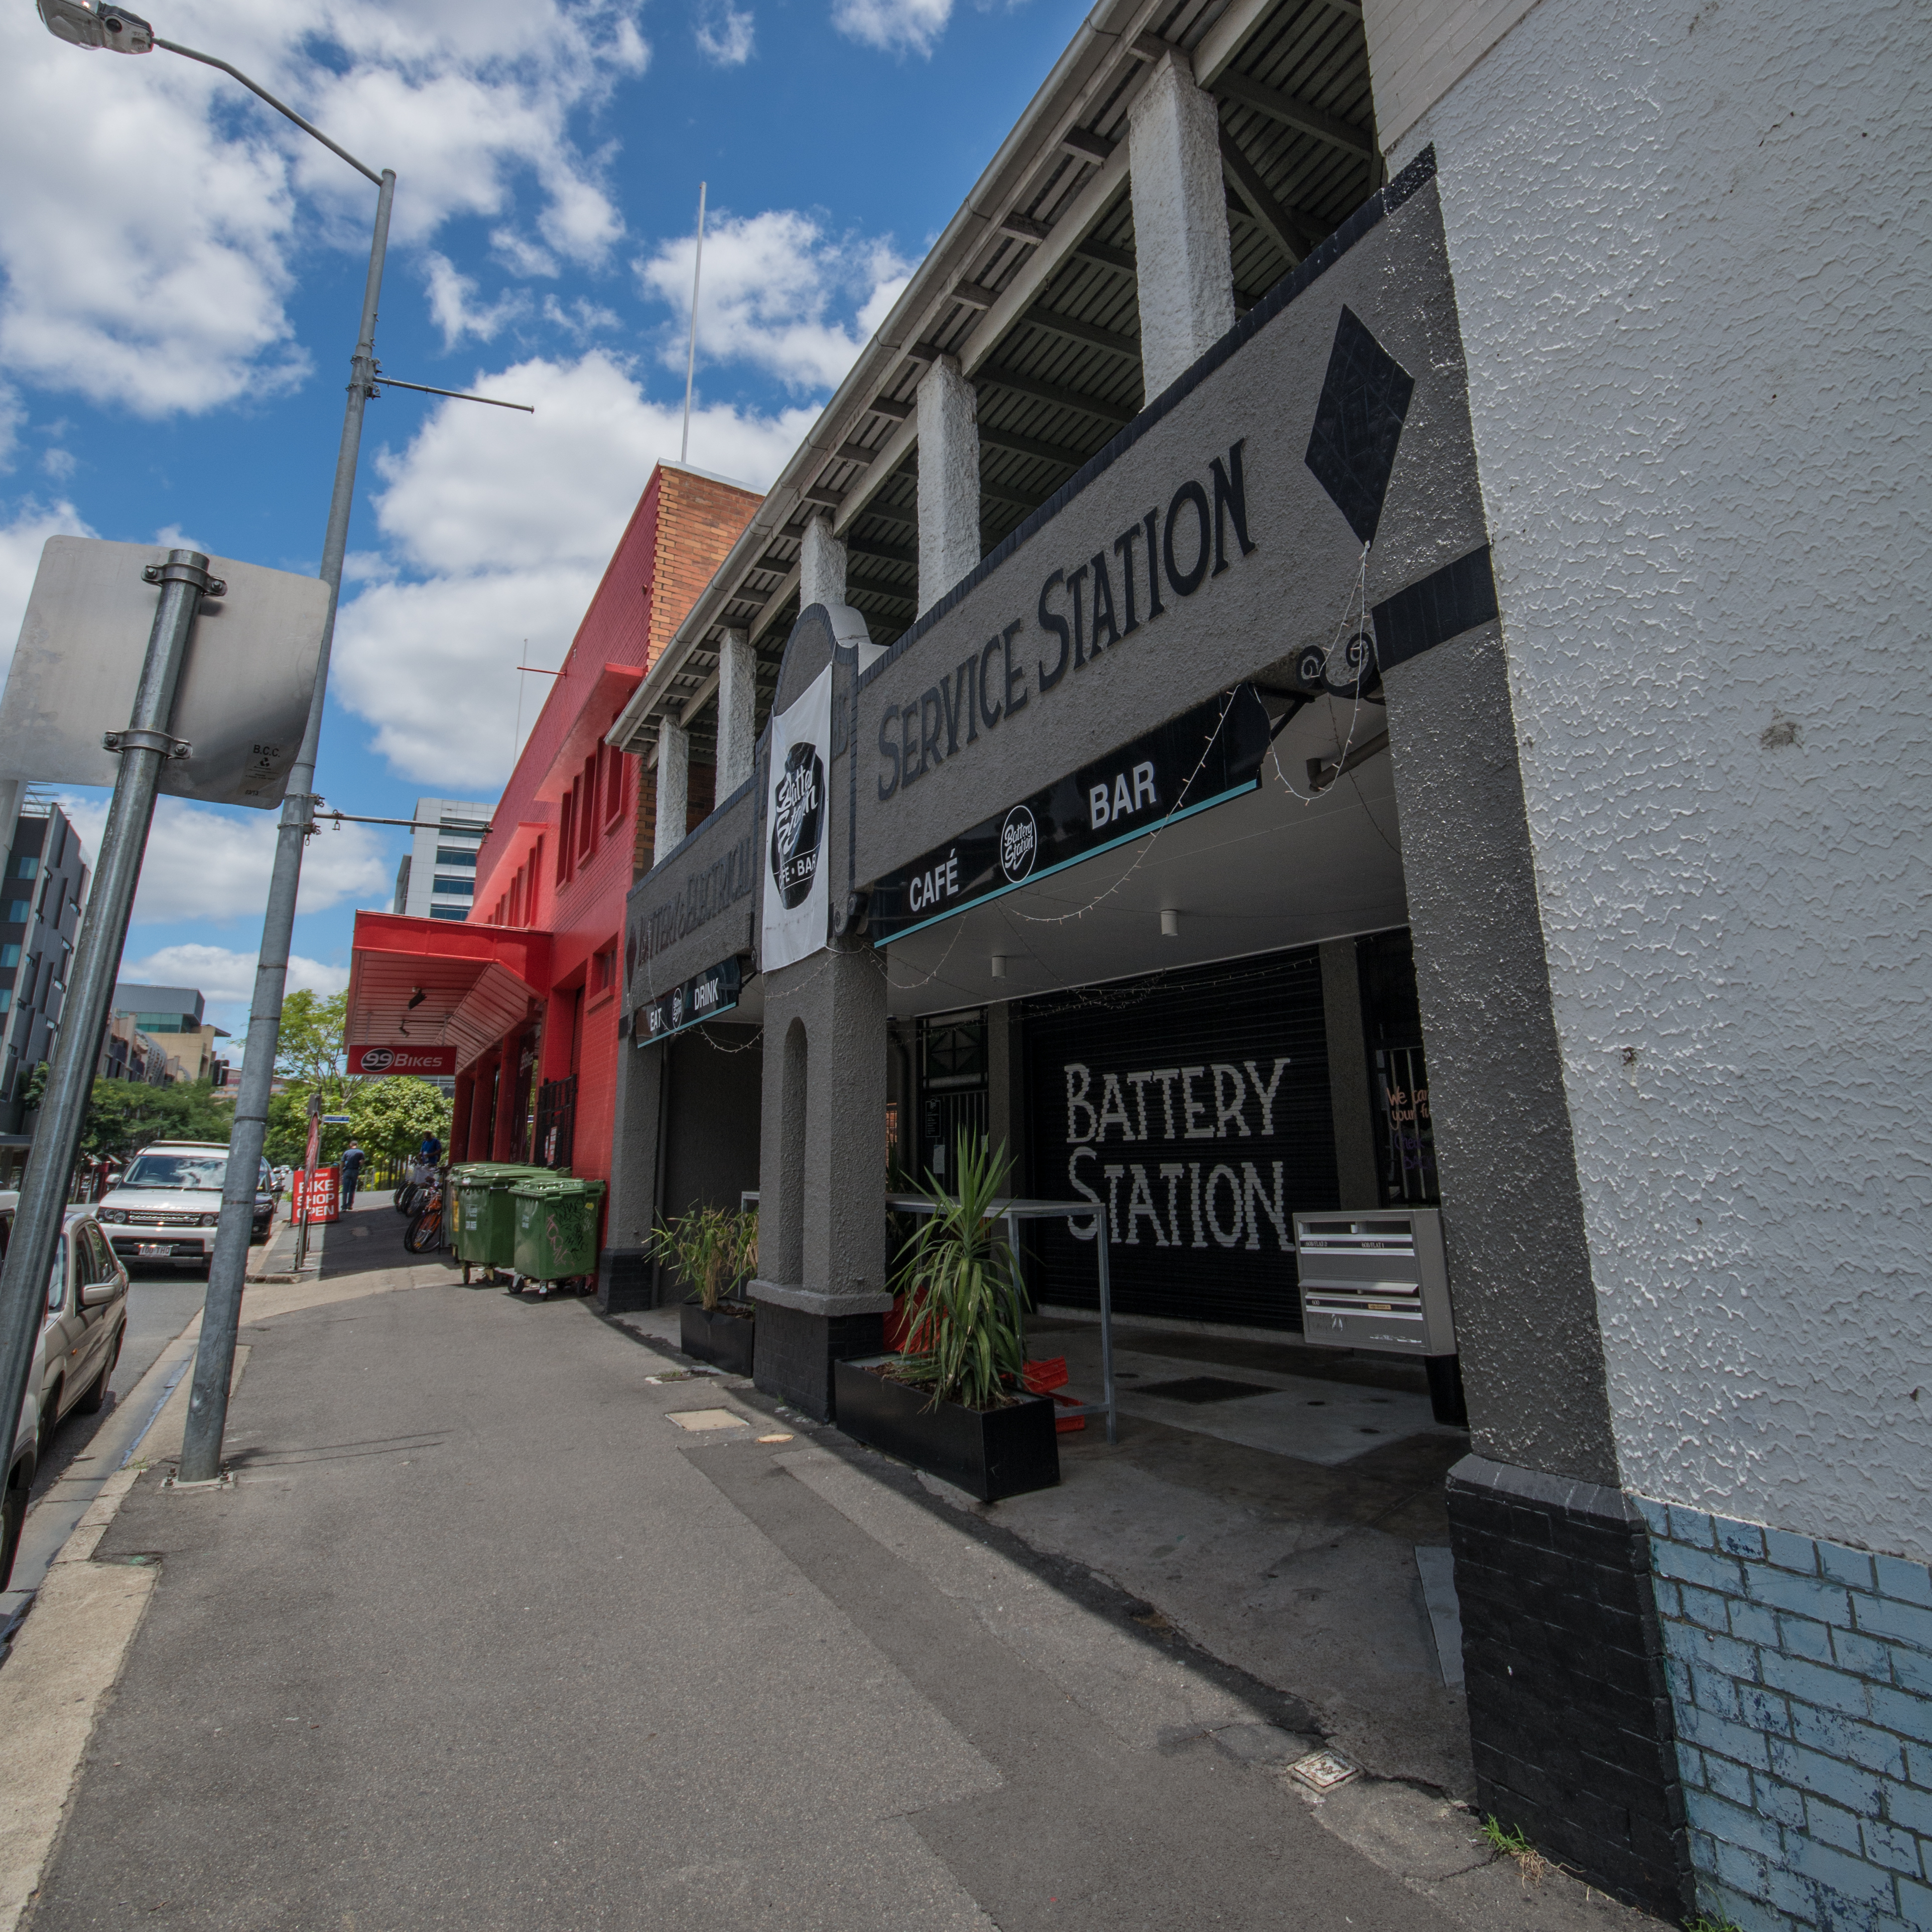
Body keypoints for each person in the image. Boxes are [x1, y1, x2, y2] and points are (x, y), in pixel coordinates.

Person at [339, 1140, 365, 1208]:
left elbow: (342, 1164)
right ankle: (350, 1205)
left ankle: (344, 1206)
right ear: (357, 1145)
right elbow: (362, 1162)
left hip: (347, 1171)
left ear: (350, 1145)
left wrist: (341, 1174)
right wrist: (359, 1162)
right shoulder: (360, 1152)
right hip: (355, 1171)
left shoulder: (346, 1153)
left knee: (345, 1189)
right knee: (352, 1188)